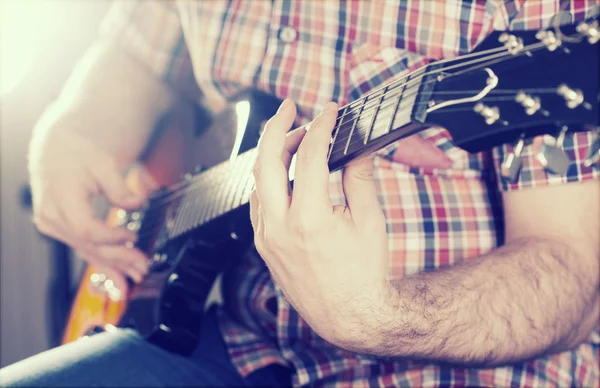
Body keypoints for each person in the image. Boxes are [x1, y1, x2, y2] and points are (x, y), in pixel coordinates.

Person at [1, 1, 599, 387]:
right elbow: (142, 44)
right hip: (231, 338)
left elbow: (571, 273)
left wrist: (383, 318)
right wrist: (75, 127)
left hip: (454, 367)